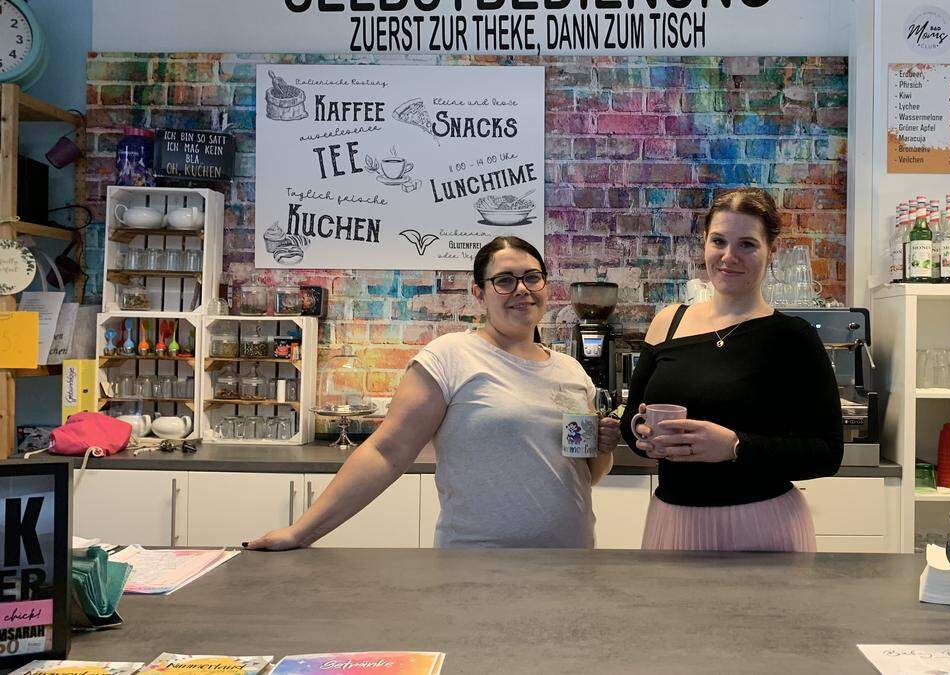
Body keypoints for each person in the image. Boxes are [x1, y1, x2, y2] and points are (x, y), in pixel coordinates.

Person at [247, 236, 620, 549]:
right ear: (480, 293)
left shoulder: (571, 370)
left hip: (572, 563)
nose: (521, 290)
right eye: (504, 280)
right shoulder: (451, 356)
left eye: (531, 278)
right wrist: (301, 532)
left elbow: (588, 472)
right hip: (477, 566)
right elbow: (385, 452)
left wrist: (602, 449)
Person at [619, 188, 843, 552]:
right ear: (704, 243)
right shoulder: (667, 324)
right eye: (719, 241)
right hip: (673, 522)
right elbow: (633, 422)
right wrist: (644, 436)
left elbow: (827, 454)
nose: (729, 256)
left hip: (761, 524)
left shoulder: (793, 338)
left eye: (747, 245)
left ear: (772, 251)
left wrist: (736, 447)